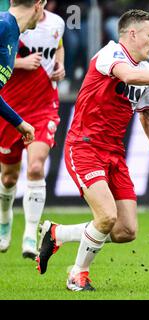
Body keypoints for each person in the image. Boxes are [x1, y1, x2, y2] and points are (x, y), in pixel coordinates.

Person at [35, 9, 149, 291]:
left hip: (114, 153)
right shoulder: (110, 54)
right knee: (106, 216)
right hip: (84, 146)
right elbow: (127, 75)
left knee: (125, 231)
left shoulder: (147, 72)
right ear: (132, 34)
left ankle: (57, 233)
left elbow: (148, 117)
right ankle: (77, 275)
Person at [0, 6, 65, 259]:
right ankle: (5, 220)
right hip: (10, 107)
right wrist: (22, 62)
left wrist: (61, 65)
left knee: (36, 167)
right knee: (8, 178)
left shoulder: (56, 23)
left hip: (42, 106)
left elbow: (58, 46)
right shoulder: (8, 25)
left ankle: (29, 235)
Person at [0, 1, 42, 148]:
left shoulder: (12, 34)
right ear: (38, 5)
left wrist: (19, 123)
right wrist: (19, 122)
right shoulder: (3, 25)